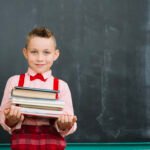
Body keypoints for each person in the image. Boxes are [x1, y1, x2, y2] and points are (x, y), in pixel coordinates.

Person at [0, 27, 77, 150]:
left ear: (55, 55)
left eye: (46, 52)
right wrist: (11, 120)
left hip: (53, 144)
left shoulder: (62, 86)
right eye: (34, 52)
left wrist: (64, 124)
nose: (40, 58)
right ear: (25, 53)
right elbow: (3, 117)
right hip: (22, 143)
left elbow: (68, 122)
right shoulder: (14, 82)